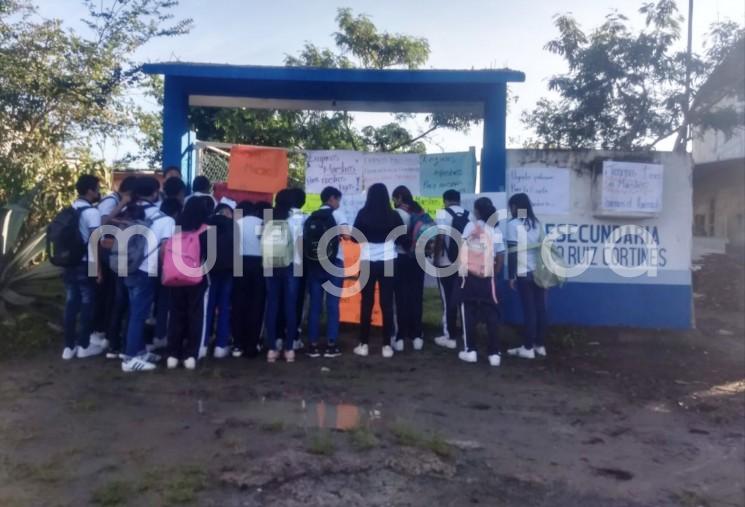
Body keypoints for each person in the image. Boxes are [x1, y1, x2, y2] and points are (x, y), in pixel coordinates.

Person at [120, 176, 175, 373]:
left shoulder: (129, 212)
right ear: (155, 193)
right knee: (139, 315)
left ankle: (139, 350)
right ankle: (130, 358)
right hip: (147, 271)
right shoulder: (164, 219)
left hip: (127, 267)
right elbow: (164, 250)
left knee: (134, 312)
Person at [352, 183, 403, 358]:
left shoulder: (363, 214)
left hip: (367, 261)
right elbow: (403, 237)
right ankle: (387, 346)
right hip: (388, 261)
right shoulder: (393, 215)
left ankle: (364, 344)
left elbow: (353, 237)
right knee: (387, 304)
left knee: (366, 303)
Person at [456, 197, 505, 366]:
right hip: (488, 277)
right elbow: (500, 257)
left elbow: (462, 249)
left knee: (467, 311)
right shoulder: (496, 230)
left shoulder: (471, 226)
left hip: (468, 276)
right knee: (492, 312)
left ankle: (470, 350)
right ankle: (494, 353)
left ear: (477, 211)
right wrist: (493, 273)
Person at [60, 175, 105, 360]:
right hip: (86, 263)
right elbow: (95, 243)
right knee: (87, 305)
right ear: (89, 191)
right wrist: (99, 269)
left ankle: (68, 347)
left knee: (71, 305)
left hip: (69, 263)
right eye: (96, 188)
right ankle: (84, 345)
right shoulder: (92, 213)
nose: (98, 192)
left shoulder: (70, 209)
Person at [165, 197, 212, 370]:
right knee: (195, 315)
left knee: (176, 315)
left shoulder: (177, 228)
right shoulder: (207, 230)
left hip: (175, 276)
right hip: (196, 278)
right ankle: (190, 355)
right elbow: (209, 259)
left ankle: (172, 355)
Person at [91, 175, 137, 348]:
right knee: (107, 294)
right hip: (104, 250)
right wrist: (122, 204)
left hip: (109, 250)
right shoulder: (112, 201)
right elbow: (103, 222)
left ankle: (107, 332)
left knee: (112, 294)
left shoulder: (115, 200)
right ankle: (100, 331)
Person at [304, 186, 348, 358]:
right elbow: (346, 235)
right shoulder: (338, 215)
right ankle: (331, 344)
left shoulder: (311, 216)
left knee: (315, 305)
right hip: (334, 263)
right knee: (332, 305)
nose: (338, 203)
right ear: (332, 198)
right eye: (338, 200)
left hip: (314, 265)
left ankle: (313, 345)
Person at [505, 192, 547, 360]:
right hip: (539, 272)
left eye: (511, 207)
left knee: (529, 311)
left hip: (523, 272)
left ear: (515, 207)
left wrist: (511, 276)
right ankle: (540, 345)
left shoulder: (514, 224)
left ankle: (528, 348)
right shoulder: (537, 224)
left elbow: (513, 252)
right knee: (540, 309)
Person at [262, 190, 301, 363]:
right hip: (291, 265)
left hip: (270, 265)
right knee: (290, 307)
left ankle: (272, 349)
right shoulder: (296, 219)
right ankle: (289, 349)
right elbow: (299, 245)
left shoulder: (268, 217)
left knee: (272, 306)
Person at [433, 189, 470, 350]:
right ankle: (465, 334)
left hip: (445, 263)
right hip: (465, 264)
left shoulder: (442, 214)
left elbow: (440, 238)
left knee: (447, 299)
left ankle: (450, 336)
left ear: (445, 200)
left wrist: (435, 259)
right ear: (459, 200)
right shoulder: (469, 215)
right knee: (463, 299)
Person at [391, 185, 426, 352]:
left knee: (400, 298)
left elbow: (394, 238)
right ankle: (417, 336)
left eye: (394, 199)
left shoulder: (397, 214)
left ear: (398, 198)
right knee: (416, 297)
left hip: (400, 259)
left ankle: (400, 337)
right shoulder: (420, 212)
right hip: (419, 260)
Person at [232, 201, 265, 358]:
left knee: (238, 303)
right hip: (259, 264)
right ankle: (252, 344)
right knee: (256, 304)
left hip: (239, 263)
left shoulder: (237, 224)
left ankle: (237, 343)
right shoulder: (262, 223)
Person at [205, 203, 236, 358]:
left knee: (208, 308)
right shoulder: (234, 227)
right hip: (229, 272)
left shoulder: (207, 225)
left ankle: (204, 343)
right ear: (228, 213)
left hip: (209, 272)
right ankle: (221, 345)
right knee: (224, 307)